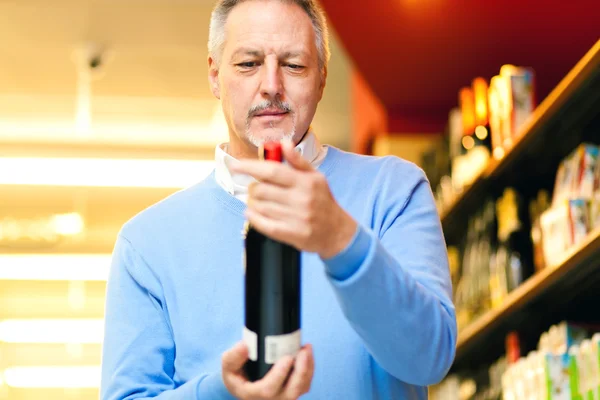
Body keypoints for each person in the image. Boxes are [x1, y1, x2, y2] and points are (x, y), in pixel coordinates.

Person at [99, 0, 457, 398]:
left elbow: (430, 357)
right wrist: (223, 392)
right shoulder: (147, 244)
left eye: (294, 65)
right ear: (215, 76)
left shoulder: (392, 191)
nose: (271, 84)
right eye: (248, 63)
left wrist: (340, 238)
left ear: (321, 78)